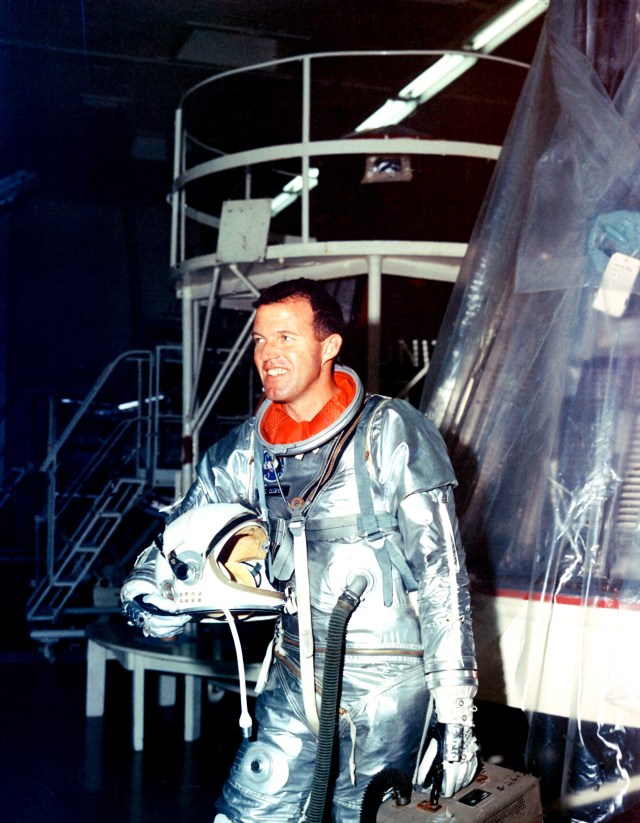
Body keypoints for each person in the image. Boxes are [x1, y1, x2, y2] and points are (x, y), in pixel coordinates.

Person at [121, 277, 478, 823]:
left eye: (285, 338)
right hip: (294, 669)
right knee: (251, 808)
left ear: (329, 345)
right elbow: (179, 533)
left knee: (364, 814)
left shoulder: (390, 432)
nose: (268, 355)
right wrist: (150, 595)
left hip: (387, 682)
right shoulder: (248, 446)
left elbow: (439, 571)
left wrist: (455, 707)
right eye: (260, 340)